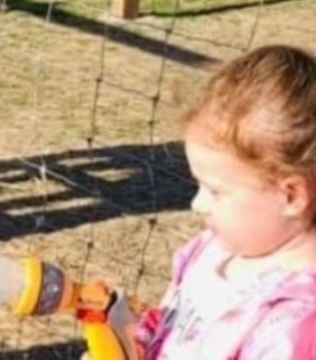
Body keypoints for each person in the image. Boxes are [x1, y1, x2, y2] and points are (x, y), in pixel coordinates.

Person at [106, 45, 316, 359]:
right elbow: (170, 323)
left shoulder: (296, 325)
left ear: (291, 196)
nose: (197, 204)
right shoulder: (212, 251)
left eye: (215, 190)